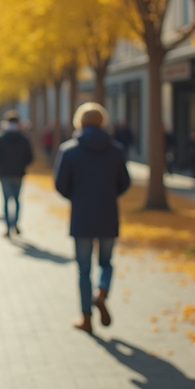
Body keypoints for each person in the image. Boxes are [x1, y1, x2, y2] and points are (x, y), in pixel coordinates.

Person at [54, 102, 130, 334]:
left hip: (82, 216)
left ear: (79, 122)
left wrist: (77, 197)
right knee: (106, 263)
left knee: (83, 269)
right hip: (108, 213)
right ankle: (103, 292)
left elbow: (60, 184)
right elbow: (124, 182)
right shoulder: (115, 150)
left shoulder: (69, 150)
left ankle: (86, 318)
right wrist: (107, 195)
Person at [0, 110, 34, 237]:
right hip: (18, 173)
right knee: (17, 200)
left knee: (6, 200)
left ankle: (8, 226)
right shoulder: (24, 138)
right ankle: (15, 223)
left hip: (4, 174)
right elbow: (30, 157)